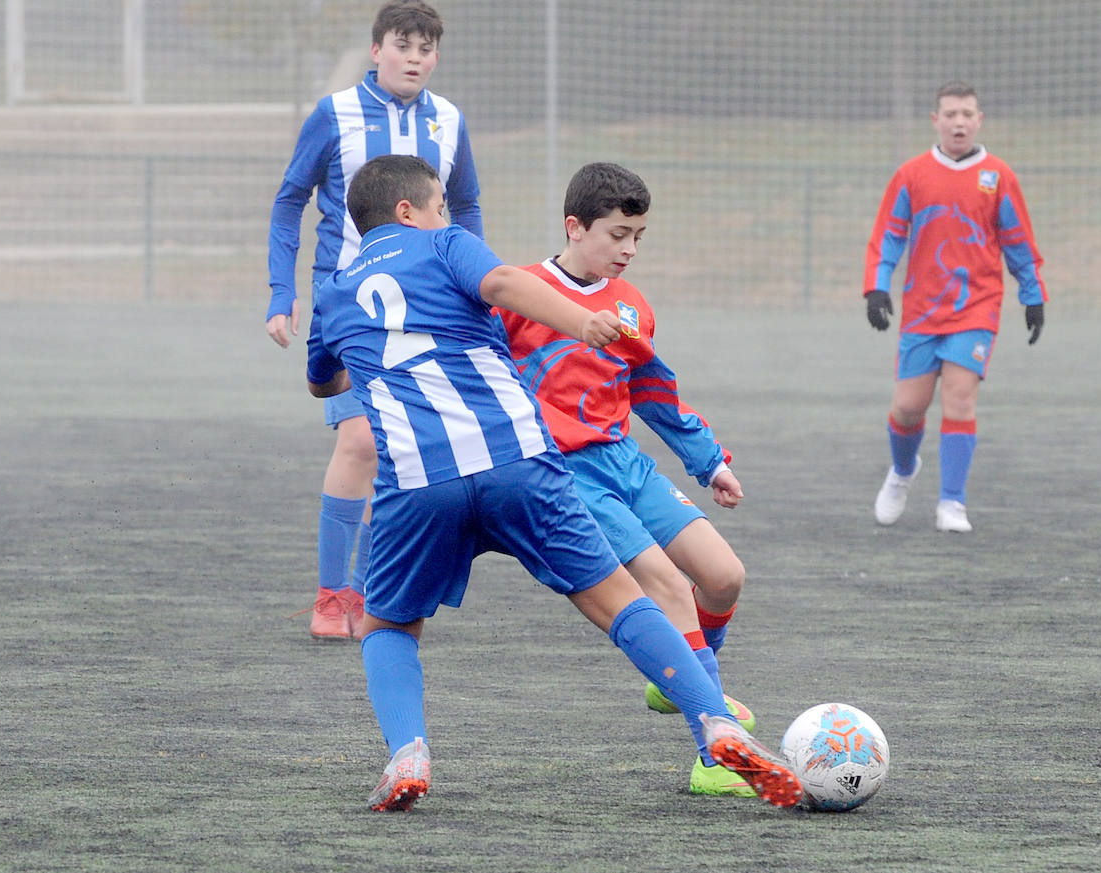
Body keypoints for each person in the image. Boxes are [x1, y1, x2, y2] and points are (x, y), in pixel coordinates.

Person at [304, 154, 803, 812]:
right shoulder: (447, 245)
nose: (445, 217)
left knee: (388, 622)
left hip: (419, 479)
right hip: (520, 458)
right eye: (439, 206)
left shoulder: (335, 293)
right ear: (409, 212)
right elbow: (505, 282)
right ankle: (716, 722)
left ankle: (409, 750)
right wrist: (580, 319)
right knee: (621, 599)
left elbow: (322, 378)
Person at [497, 162, 757, 797]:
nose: (630, 250)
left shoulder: (632, 305)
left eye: (639, 236)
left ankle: (682, 680)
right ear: (575, 227)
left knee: (724, 577)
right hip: (565, 472)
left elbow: (653, 391)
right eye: (618, 234)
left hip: (626, 463)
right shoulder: (523, 294)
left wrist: (711, 463)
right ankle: (713, 752)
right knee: (666, 584)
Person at [265, 0, 483, 641]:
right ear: (376, 49)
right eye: (403, 46)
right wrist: (283, 293)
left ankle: (376, 595)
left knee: (404, 451)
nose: (415, 58)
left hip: (431, 306)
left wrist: (474, 283)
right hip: (354, 303)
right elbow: (288, 203)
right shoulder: (334, 113)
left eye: (426, 49)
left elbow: (466, 206)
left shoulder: (448, 120)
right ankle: (333, 598)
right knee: (361, 440)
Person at [862, 81, 1047, 533]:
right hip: (923, 311)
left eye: (967, 113)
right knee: (908, 408)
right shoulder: (912, 175)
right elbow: (889, 234)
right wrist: (876, 287)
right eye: (950, 114)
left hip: (976, 308)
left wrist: (1033, 293)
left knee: (960, 398)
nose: (959, 122)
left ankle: (952, 503)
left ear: (979, 120)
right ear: (936, 120)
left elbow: (1018, 240)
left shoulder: (998, 177)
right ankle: (903, 472)